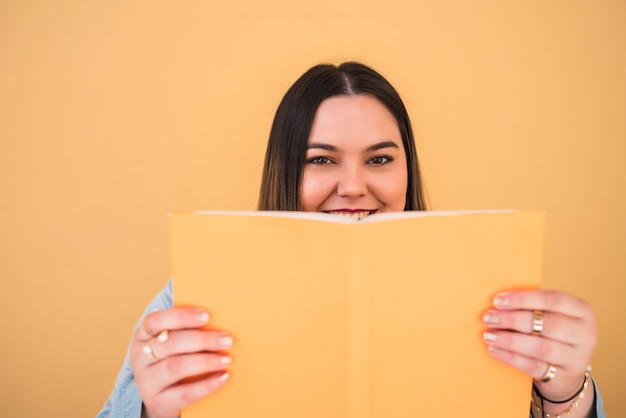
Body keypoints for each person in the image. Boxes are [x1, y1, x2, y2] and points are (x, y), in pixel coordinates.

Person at [97, 62, 605, 418]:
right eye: (321, 159)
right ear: (287, 171)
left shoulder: (497, 300)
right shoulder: (190, 304)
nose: (354, 185)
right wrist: (150, 412)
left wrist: (566, 394)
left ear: (409, 169)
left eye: (380, 158)